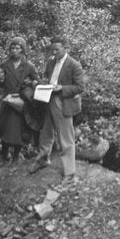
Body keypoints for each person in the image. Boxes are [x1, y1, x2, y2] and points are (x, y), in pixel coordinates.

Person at [28, 36, 85, 182]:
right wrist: (40, 83)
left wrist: (62, 88)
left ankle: (69, 172)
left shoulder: (74, 65)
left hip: (63, 101)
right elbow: (48, 78)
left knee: (66, 137)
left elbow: (80, 87)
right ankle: (42, 160)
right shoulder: (51, 61)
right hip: (48, 99)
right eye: (52, 49)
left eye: (57, 49)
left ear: (65, 48)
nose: (54, 52)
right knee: (46, 132)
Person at [0, 37, 40, 166]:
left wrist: (31, 83)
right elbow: (0, 84)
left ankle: (15, 158)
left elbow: (37, 81)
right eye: (12, 48)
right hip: (7, 100)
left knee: (19, 130)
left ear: (22, 50)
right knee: (4, 128)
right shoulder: (5, 64)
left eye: (18, 48)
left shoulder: (29, 66)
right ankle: (4, 157)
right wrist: (0, 79)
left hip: (20, 102)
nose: (14, 51)